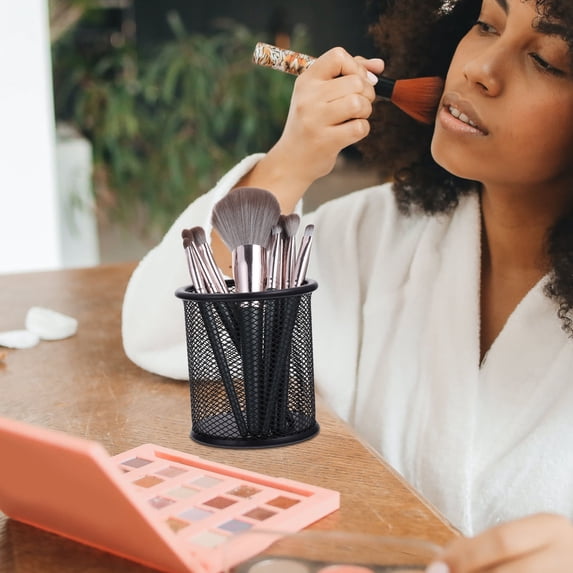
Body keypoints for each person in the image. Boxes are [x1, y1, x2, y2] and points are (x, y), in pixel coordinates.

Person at [121, 0, 573, 570]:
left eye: (546, 60)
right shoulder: (378, 233)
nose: (479, 69)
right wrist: (288, 165)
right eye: (486, 25)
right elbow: (166, 334)